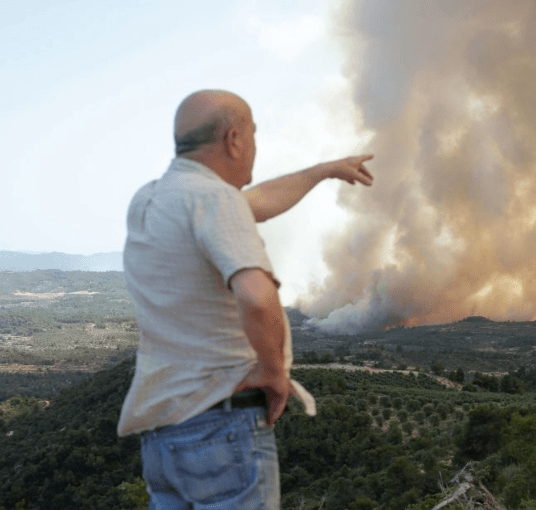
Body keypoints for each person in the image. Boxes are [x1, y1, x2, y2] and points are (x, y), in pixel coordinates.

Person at [117, 89, 373, 509]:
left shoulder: (149, 200)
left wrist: (323, 170)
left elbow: (255, 203)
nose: (254, 145)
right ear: (234, 139)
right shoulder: (214, 199)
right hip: (221, 429)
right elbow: (256, 297)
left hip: (162, 441)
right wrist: (274, 372)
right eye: (253, 133)